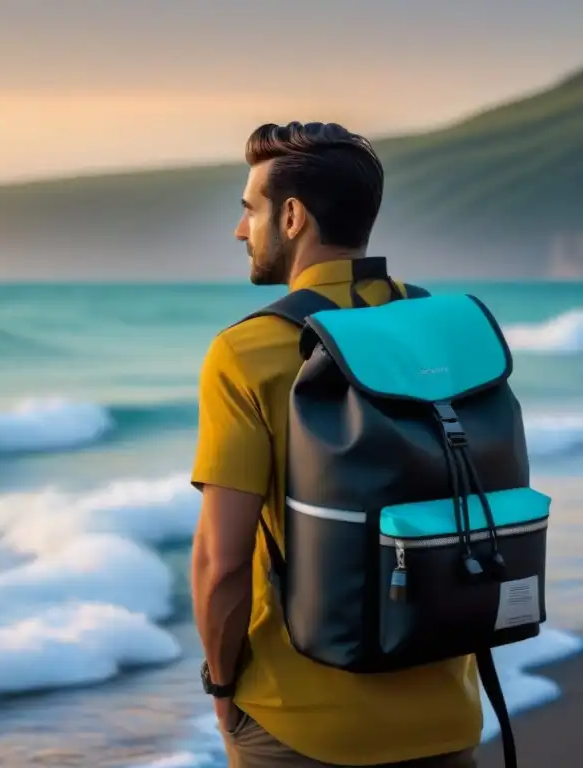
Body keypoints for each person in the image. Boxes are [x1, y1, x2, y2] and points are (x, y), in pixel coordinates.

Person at [189, 122, 481, 767]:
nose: (242, 231)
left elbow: (222, 563)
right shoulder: (439, 328)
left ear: (290, 217)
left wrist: (222, 687)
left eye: (249, 211)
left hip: (304, 726)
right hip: (448, 712)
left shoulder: (248, 351)